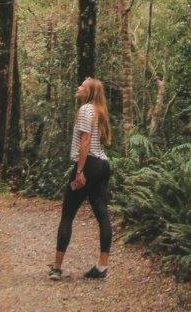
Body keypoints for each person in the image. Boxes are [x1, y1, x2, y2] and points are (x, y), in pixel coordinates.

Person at [49, 76, 113, 281]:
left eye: (82, 86)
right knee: (102, 214)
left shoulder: (86, 109)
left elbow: (85, 141)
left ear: (89, 92)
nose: (78, 87)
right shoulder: (99, 110)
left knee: (67, 214)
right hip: (103, 165)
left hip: (89, 165)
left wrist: (79, 171)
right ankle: (102, 266)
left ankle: (57, 268)